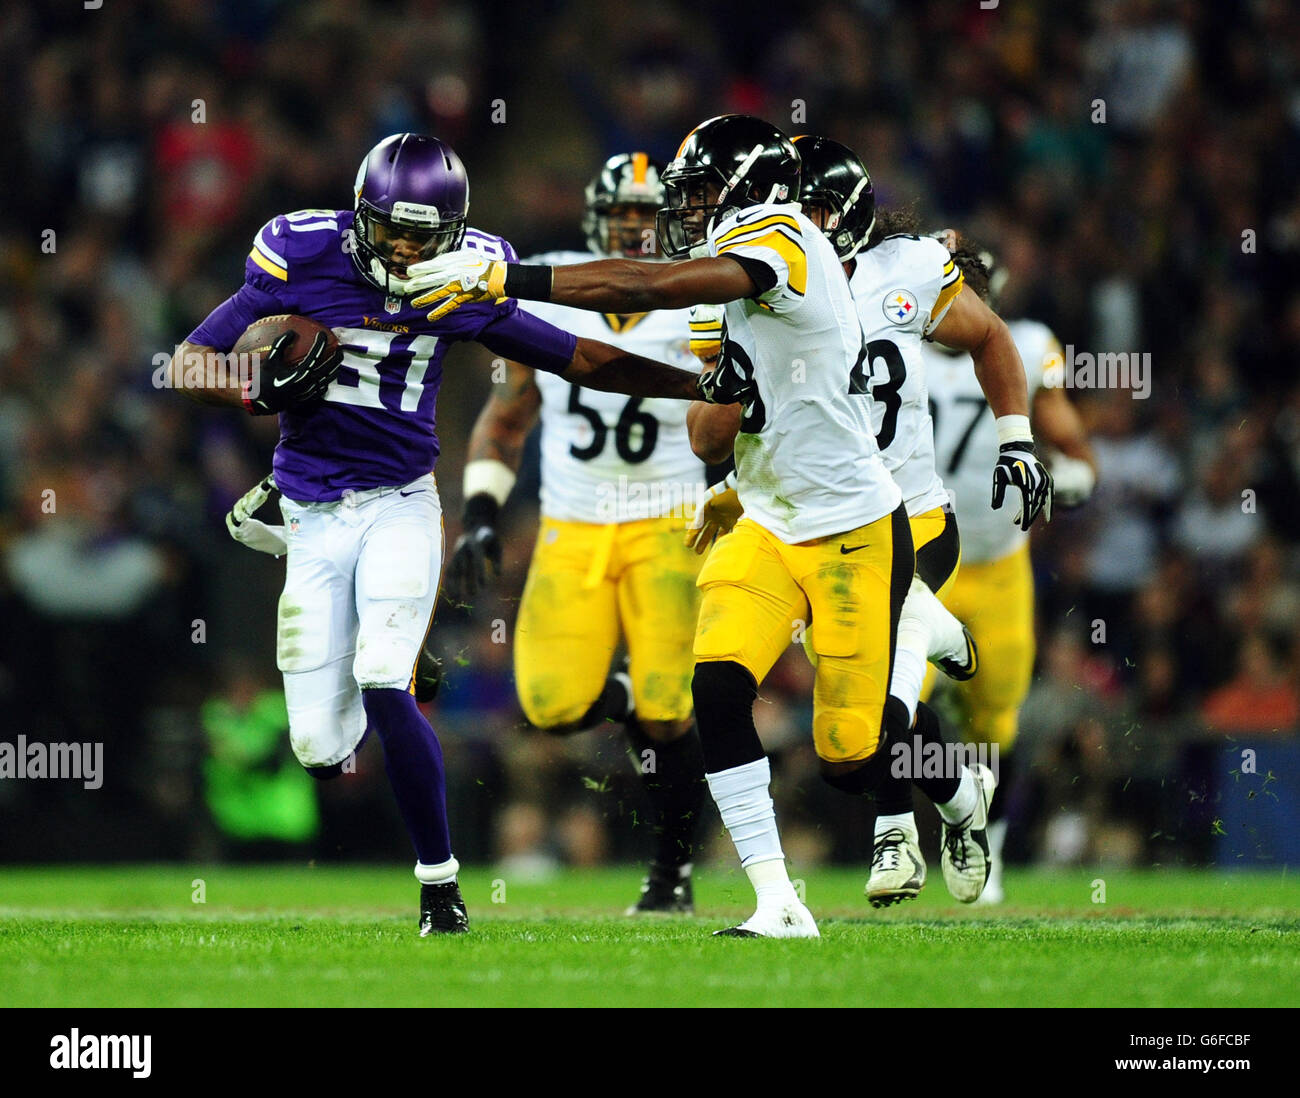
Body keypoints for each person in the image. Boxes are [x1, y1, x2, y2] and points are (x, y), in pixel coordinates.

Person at [409, 115, 1053, 937]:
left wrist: (513, 277)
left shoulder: (783, 237)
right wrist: (729, 397)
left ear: (750, 187)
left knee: (852, 758)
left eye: (702, 193)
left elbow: (642, 289)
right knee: (715, 688)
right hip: (767, 518)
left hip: (858, 522)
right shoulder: (732, 274)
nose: (688, 211)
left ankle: (955, 779)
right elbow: (700, 428)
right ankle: (777, 904)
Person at [168, 132, 713, 936]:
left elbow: (583, 359)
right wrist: (253, 391)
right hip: (315, 513)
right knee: (320, 749)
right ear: (361, 215)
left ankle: (440, 888)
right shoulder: (300, 253)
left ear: (453, 235)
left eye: (422, 236)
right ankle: (359, 607)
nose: (402, 248)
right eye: (389, 229)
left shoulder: (463, 282)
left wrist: (697, 381)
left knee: (387, 678)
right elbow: (187, 362)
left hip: (401, 501)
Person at [449, 152, 709, 913]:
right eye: (620, 215)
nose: (633, 228)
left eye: (644, 215)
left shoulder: (700, 293)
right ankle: (626, 694)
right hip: (573, 522)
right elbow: (507, 417)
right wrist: (482, 516)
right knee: (550, 705)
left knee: (672, 712)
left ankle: (671, 876)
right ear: (597, 218)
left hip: (671, 522)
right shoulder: (554, 284)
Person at [920, 243, 1096, 901]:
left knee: (994, 720)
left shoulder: (1021, 344)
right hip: (916, 565)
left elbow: (1072, 445)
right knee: (900, 703)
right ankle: (933, 816)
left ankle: (984, 846)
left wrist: (1075, 476)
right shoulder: (888, 344)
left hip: (996, 566)